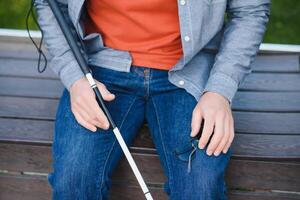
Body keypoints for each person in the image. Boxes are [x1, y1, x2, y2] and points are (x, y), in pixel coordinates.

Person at [34, 0, 270, 199]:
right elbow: (49, 3)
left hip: (192, 70)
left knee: (200, 186)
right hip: (99, 68)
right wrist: (75, 78)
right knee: (74, 181)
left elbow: (250, 10)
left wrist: (220, 90)